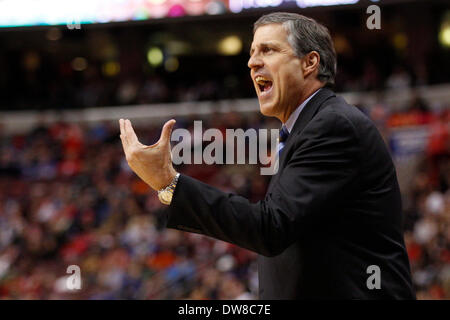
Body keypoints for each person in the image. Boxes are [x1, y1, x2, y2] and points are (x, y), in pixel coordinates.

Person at [119, 12, 415, 299]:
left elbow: (271, 227)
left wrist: (169, 183)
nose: (252, 62)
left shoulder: (332, 126)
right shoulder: (306, 128)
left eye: (268, 50)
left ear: (309, 62)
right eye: (252, 52)